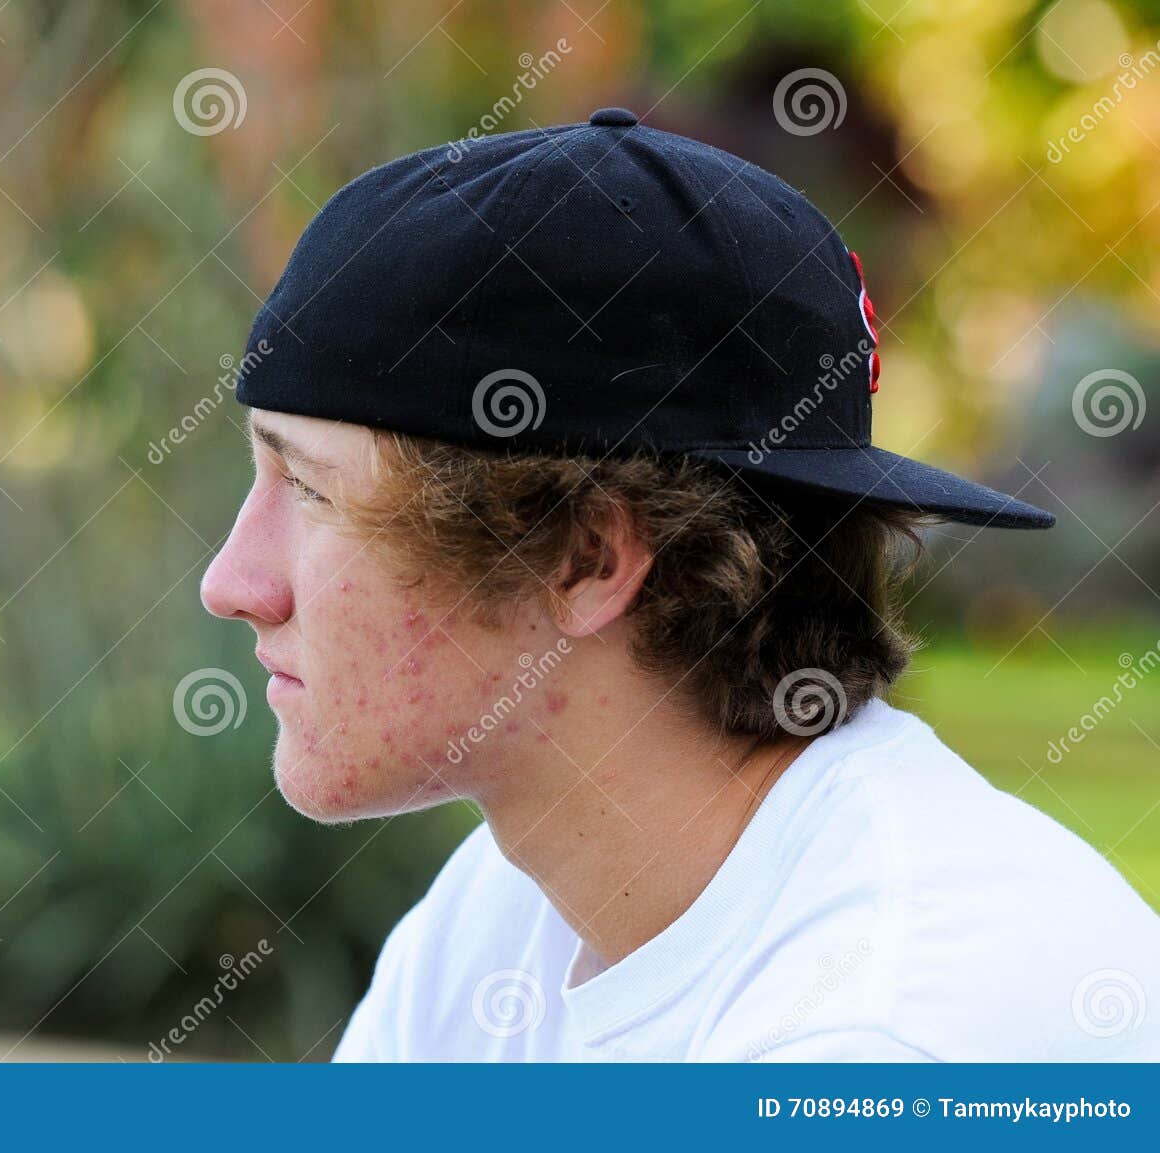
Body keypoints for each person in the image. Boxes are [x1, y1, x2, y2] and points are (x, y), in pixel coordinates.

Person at [199, 110, 1160, 1061]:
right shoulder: (506, 917)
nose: (231, 583)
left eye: (313, 489)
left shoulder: (875, 1038)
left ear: (586, 558)